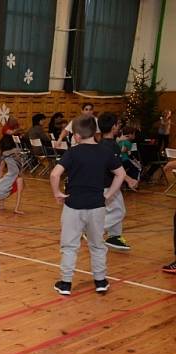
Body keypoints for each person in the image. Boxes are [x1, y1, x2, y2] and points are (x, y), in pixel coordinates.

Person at [50, 116, 125, 296]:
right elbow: (120, 174)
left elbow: (54, 175)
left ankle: (66, 283)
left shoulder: (73, 152)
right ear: (95, 132)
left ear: (76, 135)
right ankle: (100, 281)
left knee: (69, 246)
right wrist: (108, 194)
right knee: (97, 245)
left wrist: (57, 193)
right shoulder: (105, 151)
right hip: (97, 206)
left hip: (73, 206)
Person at [97, 113, 137, 251]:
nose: (119, 126)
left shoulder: (102, 143)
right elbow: (114, 168)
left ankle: (114, 237)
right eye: (118, 124)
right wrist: (129, 179)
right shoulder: (111, 146)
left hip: (106, 184)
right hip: (109, 185)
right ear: (114, 127)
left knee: (115, 210)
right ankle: (95, 231)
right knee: (119, 212)